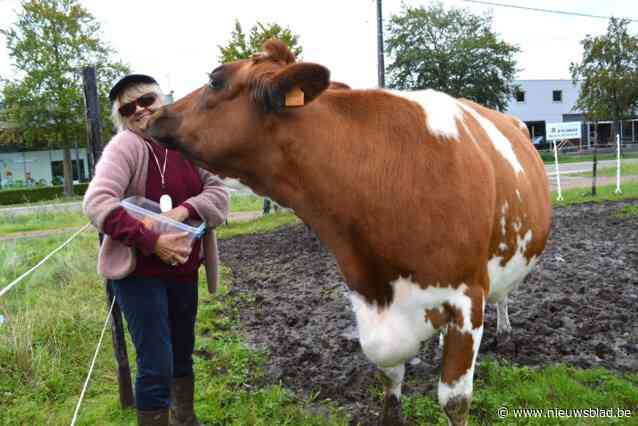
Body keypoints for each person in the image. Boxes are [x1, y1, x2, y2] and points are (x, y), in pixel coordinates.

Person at [83, 74, 229, 426]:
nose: (139, 110)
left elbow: (219, 194)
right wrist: (153, 241)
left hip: (183, 269)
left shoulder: (187, 143)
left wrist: (182, 211)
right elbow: (97, 203)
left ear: (162, 100)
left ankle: (185, 419)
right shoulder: (125, 147)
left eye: (146, 100)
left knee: (181, 355)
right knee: (155, 363)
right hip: (140, 275)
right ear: (122, 117)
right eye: (127, 108)